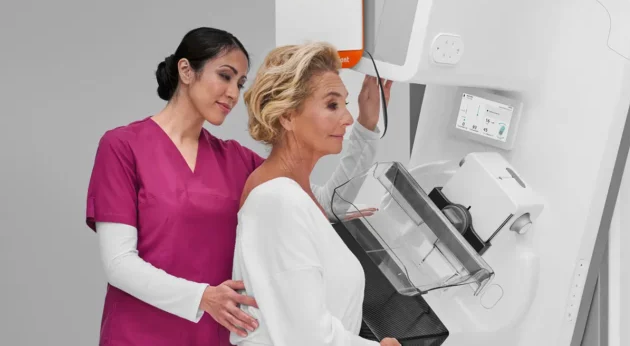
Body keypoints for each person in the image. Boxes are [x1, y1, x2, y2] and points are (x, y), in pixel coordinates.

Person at [85, 27, 387, 345]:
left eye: (240, 83)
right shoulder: (123, 147)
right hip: (140, 334)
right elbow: (119, 263)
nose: (233, 93)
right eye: (225, 76)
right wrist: (202, 297)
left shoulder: (236, 160)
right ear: (186, 70)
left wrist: (366, 130)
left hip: (213, 335)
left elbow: (313, 203)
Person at [230, 42, 400, 346]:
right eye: (332, 105)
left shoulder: (296, 194)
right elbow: (306, 337)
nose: (347, 118)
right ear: (287, 116)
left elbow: (333, 200)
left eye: (345, 104)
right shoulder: (276, 200)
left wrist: (367, 124)